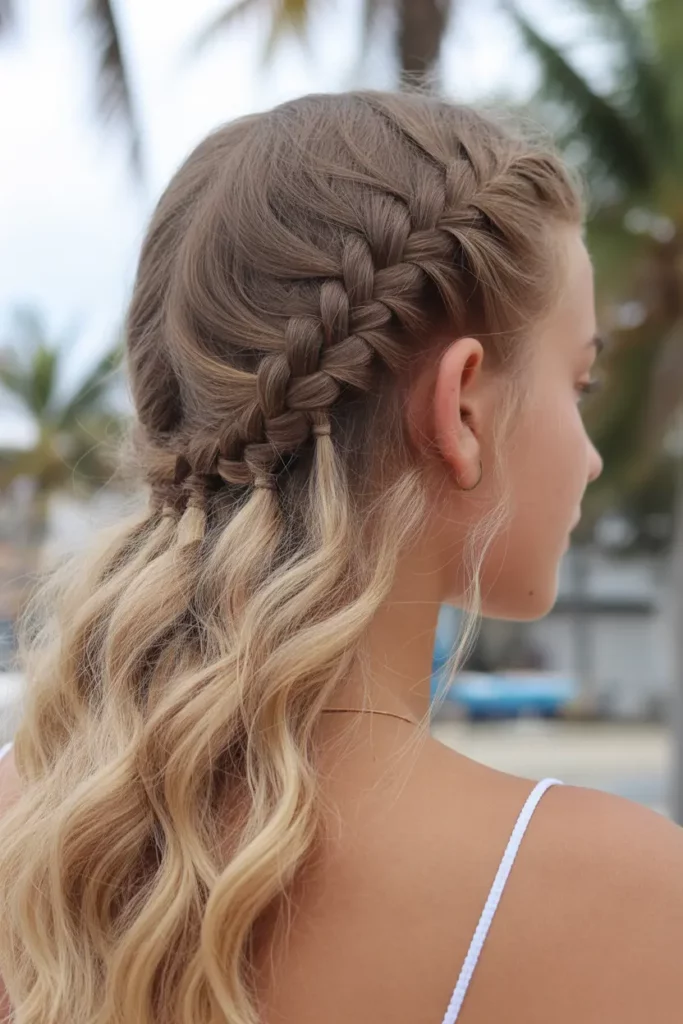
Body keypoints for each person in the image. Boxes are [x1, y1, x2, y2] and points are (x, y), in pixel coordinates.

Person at [1, 90, 682, 1024]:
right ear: (464, 408)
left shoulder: (34, 830)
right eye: (580, 380)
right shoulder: (617, 893)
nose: (592, 451)